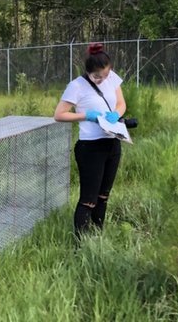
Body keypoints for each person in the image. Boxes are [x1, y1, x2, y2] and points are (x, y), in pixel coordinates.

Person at [53, 43, 126, 239]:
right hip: (90, 148)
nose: (102, 80)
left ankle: (98, 236)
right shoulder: (76, 86)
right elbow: (59, 115)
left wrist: (116, 114)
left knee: (104, 196)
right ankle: (81, 244)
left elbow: (121, 103)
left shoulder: (111, 78)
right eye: (96, 77)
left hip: (112, 143)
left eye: (105, 75)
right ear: (88, 72)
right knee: (89, 200)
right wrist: (87, 116)